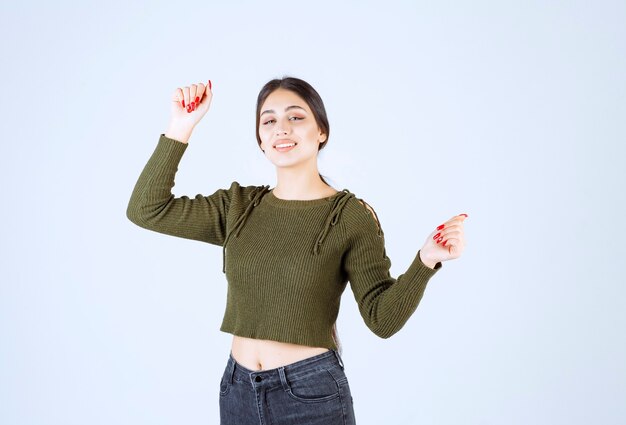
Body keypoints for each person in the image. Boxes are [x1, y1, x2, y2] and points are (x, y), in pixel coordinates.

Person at [126, 76, 467, 425]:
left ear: (321, 131)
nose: (281, 128)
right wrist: (181, 127)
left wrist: (426, 261)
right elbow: (146, 209)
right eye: (269, 120)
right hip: (237, 389)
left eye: (296, 117)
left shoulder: (349, 216)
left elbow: (382, 319)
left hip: (310, 394)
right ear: (260, 139)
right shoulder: (238, 207)